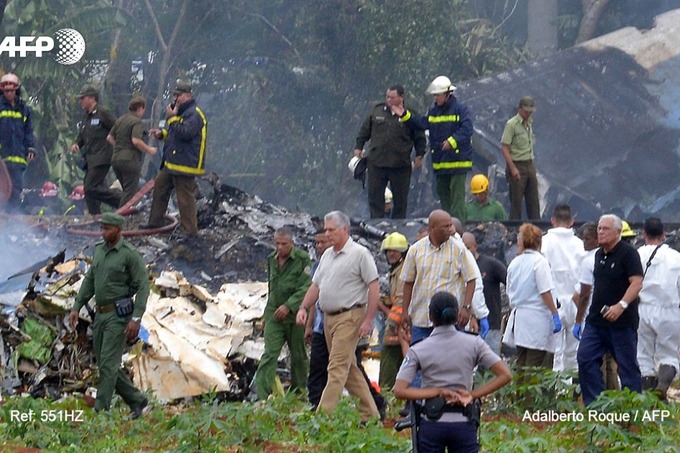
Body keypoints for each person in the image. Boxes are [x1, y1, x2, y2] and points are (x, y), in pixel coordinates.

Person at [394, 292, 512, 453]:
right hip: (464, 423)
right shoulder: (474, 343)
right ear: (457, 316)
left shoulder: (419, 348)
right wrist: (473, 394)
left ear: (431, 316)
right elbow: (506, 374)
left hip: (432, 424)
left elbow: (400, 390)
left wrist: (436, 391)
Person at [295, 211, 380, 422]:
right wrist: (304, 307)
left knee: (336, 368)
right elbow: (316, 285)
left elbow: (374, 286)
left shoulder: (359, 254)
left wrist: (369, 320)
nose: (327, 233)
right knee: (348, 369)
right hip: (328, 319)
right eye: (326, 229)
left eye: (331, 230)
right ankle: (370, 414)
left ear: (345, 230)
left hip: (350, 316)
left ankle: (322, 418)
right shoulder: (327, 256)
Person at [69, 212, 149, 417]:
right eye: (101, 228)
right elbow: (89, 280)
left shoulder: (129, 254)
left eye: (106, 229)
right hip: (101, 315)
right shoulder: (99, 251)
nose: (102, 232)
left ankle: (101, 411)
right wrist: (77, 306)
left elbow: (143, 286)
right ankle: (137, 400)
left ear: (118, 230)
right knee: (107, 363)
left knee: (107, 363)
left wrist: (136, 319)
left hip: (119, 316)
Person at [576, 214, 643, 406]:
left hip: (621, 322)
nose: (600, 232)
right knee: (585, 358)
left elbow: (637, 283)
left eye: (605, 229)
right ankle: (596, 406)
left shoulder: (628, 253)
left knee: (627, 367)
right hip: (597, 321)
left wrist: (621, 306)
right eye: (599, 228)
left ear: (617, 232)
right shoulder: (598, 254)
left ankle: (633, 411)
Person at [391, 76, 474, 222]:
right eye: (434, 95)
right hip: (441, 164)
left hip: (458, 164)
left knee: (457, 202)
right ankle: (448, 228)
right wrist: (405, 115)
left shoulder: (461, 110)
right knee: (443, 198)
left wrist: (452, 141)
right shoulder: (433, 111)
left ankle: (459, 230)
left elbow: (467, 129)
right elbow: (422, 124)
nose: (435, 98)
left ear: (448, 94)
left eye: (438, 95)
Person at [400, 209, 477, 361]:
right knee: (419, 365)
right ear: (432, 228)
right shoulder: (416, 250)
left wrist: (466, 308)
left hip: (449, 322)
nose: (451, 229)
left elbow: (471, 279)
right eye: (446, 226)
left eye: (450, 225)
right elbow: (408, 282)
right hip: (421, 320)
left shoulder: (459, 249)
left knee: (449, 363)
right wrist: (404, 312)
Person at [142, 81, 208, 236]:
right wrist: (162, 134)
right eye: (174, 95)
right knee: (160, 187)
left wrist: (171, 119)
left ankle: (190, 232)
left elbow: (185, 133)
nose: (175, 99)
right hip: (172, 163)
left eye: (178, 95)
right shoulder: (181, 113)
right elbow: (175, 135)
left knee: (184, 199)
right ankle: (155, 223)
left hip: (185, 165)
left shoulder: (195, 114)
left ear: (188, 96)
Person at [354, 85, 427, 219]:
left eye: (392, 97)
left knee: (400, 200)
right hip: (377, 163)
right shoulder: (377, 111)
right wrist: (359, 146)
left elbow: (419, 136)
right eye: (387, 97)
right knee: (375, 198)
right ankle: (376, 224)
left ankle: (399, 227)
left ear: (401, 97)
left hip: (400, 165)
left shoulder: (410, 114)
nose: (389, 100)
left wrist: (419, 155)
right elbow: (364, 130)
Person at [256, 227, 311, 399]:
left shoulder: (302, 259)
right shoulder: (271, 260)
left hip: (294, 315)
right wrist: (266, 315)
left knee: (298, 355)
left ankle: (299, 393)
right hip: (274, 313)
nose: (280, 247)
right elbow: (271, 288)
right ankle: (262, 395)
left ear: (291, 243)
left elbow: (306, 287)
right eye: (277, 243)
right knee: (269, 353)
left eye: (284, 244)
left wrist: (289, 305)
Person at [503, 223, 562, 369]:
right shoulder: (540, 262)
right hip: (537, 319)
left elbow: (510, 291)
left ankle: (518, 393)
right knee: (535, 366)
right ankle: (531, 393)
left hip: (520, 319)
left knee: (521, 363)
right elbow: (545, 291)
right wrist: (555, 313)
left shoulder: (515, 262)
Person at [636, 217, 680, 399]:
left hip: (643, 308)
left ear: (644, 234)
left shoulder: (637, 254)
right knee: (668, 354)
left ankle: (648, 399)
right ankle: (662, 385)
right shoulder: (676, 257)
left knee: (643, 356)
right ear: (664, 234)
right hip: (670, 309)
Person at [573, 222, 619, 390]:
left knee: (594, 360)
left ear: (597, 239)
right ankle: (615, 400)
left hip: (593, 319)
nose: (584, 242)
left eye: (587, 239)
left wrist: (579, 319)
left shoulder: (588, 260)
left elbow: (580, 295)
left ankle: (597, 402)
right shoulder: (616, 255)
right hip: (613, 315)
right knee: (611, 362)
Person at [541, 204, 585, 372]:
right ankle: (574, 390)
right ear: (572, 221)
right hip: (576, 301)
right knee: (574, 352)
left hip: (553, 303)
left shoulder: (544, 243)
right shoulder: (580, 244)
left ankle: (558, 391)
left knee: (555, 352)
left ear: (552, 220)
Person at [70, 84, 122, 215]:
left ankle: (122, 201)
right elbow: (83, 134)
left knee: (89, 188)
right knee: (91, 193)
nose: (80, 101)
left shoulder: (103, 113)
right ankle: (95, 220)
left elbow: (118, 128)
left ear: (92, 98)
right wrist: (77, 144)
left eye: (83, 98)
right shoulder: (87, 117)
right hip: (90, 159)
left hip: (102, 158)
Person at [107, 96, 158, 207]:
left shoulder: (120, 120)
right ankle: (120, 219)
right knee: (130, 194)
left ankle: (120, 216)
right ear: (140, 108)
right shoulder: (136, 122)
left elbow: (109, 138)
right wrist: (149, 150)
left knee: (126, 191)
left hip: (116, 160)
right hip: (130, 161)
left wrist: (120, 147)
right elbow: (136, 141)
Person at [462, 232, 507, 356]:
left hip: (491, 322)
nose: (465, 252)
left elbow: (510, 282)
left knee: (490, 361)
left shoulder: (491, 265)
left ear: (475, 246)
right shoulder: (460, 266)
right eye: (463, 248)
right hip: (467, 323)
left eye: (468, 248)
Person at [377, 232, 409, 390]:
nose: (390, 254)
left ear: (402, 252)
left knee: (389, 367)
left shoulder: (403, 272)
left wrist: (383, 309)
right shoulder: (397, 270)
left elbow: (402, 301)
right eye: (388, 251)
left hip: (398, 328)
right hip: (399, 328)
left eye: (394, 251)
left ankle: (387, 395)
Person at [0, 73, 36, 211]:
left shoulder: (24, 109)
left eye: (11, 90)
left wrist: (31, 148)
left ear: (17, 90)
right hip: (2, 159)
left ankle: (13, 222)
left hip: (18, 157)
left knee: (16, 190)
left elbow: (28, 131)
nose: (9, 93)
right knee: (2, 191)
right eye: (6, 91)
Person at [501, 96, 540, 220]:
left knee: (533, 200)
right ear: (519, 109)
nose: (528, 113)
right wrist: (513, 168)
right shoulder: (512, 124)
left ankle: (536, 227)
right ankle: (514, 229)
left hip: (529, 163)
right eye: (526, 111)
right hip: (517, 165)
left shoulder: (529, 123)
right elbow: (504, 147)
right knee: (516, 202)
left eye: (530, 111)